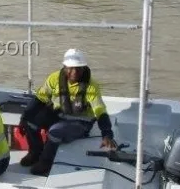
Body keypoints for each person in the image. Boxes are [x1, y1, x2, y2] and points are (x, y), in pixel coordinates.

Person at [17, 48, 116, 176]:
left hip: (80, 122)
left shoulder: (91, 86)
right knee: (29, 121)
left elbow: (100, 110)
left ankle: (46, 161)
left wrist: (107, 134)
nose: (74, 72)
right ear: (64, 67)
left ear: (84, 68)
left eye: (78, 68)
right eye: (70, 68)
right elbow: (40, 98)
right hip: (59, 114)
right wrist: (24, 118)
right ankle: (35, 152)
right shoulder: (54, 78)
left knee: (55, 131)